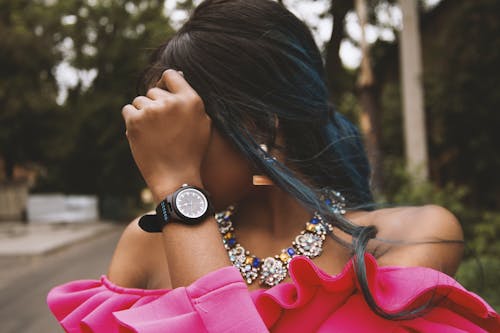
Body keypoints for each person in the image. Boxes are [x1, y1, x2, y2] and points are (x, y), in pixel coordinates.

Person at [47, 0, 499, 332]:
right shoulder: (145, 245)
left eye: (183, 136)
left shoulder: (404, 239)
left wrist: (181, 190)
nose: (160, 162)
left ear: (260, 125)